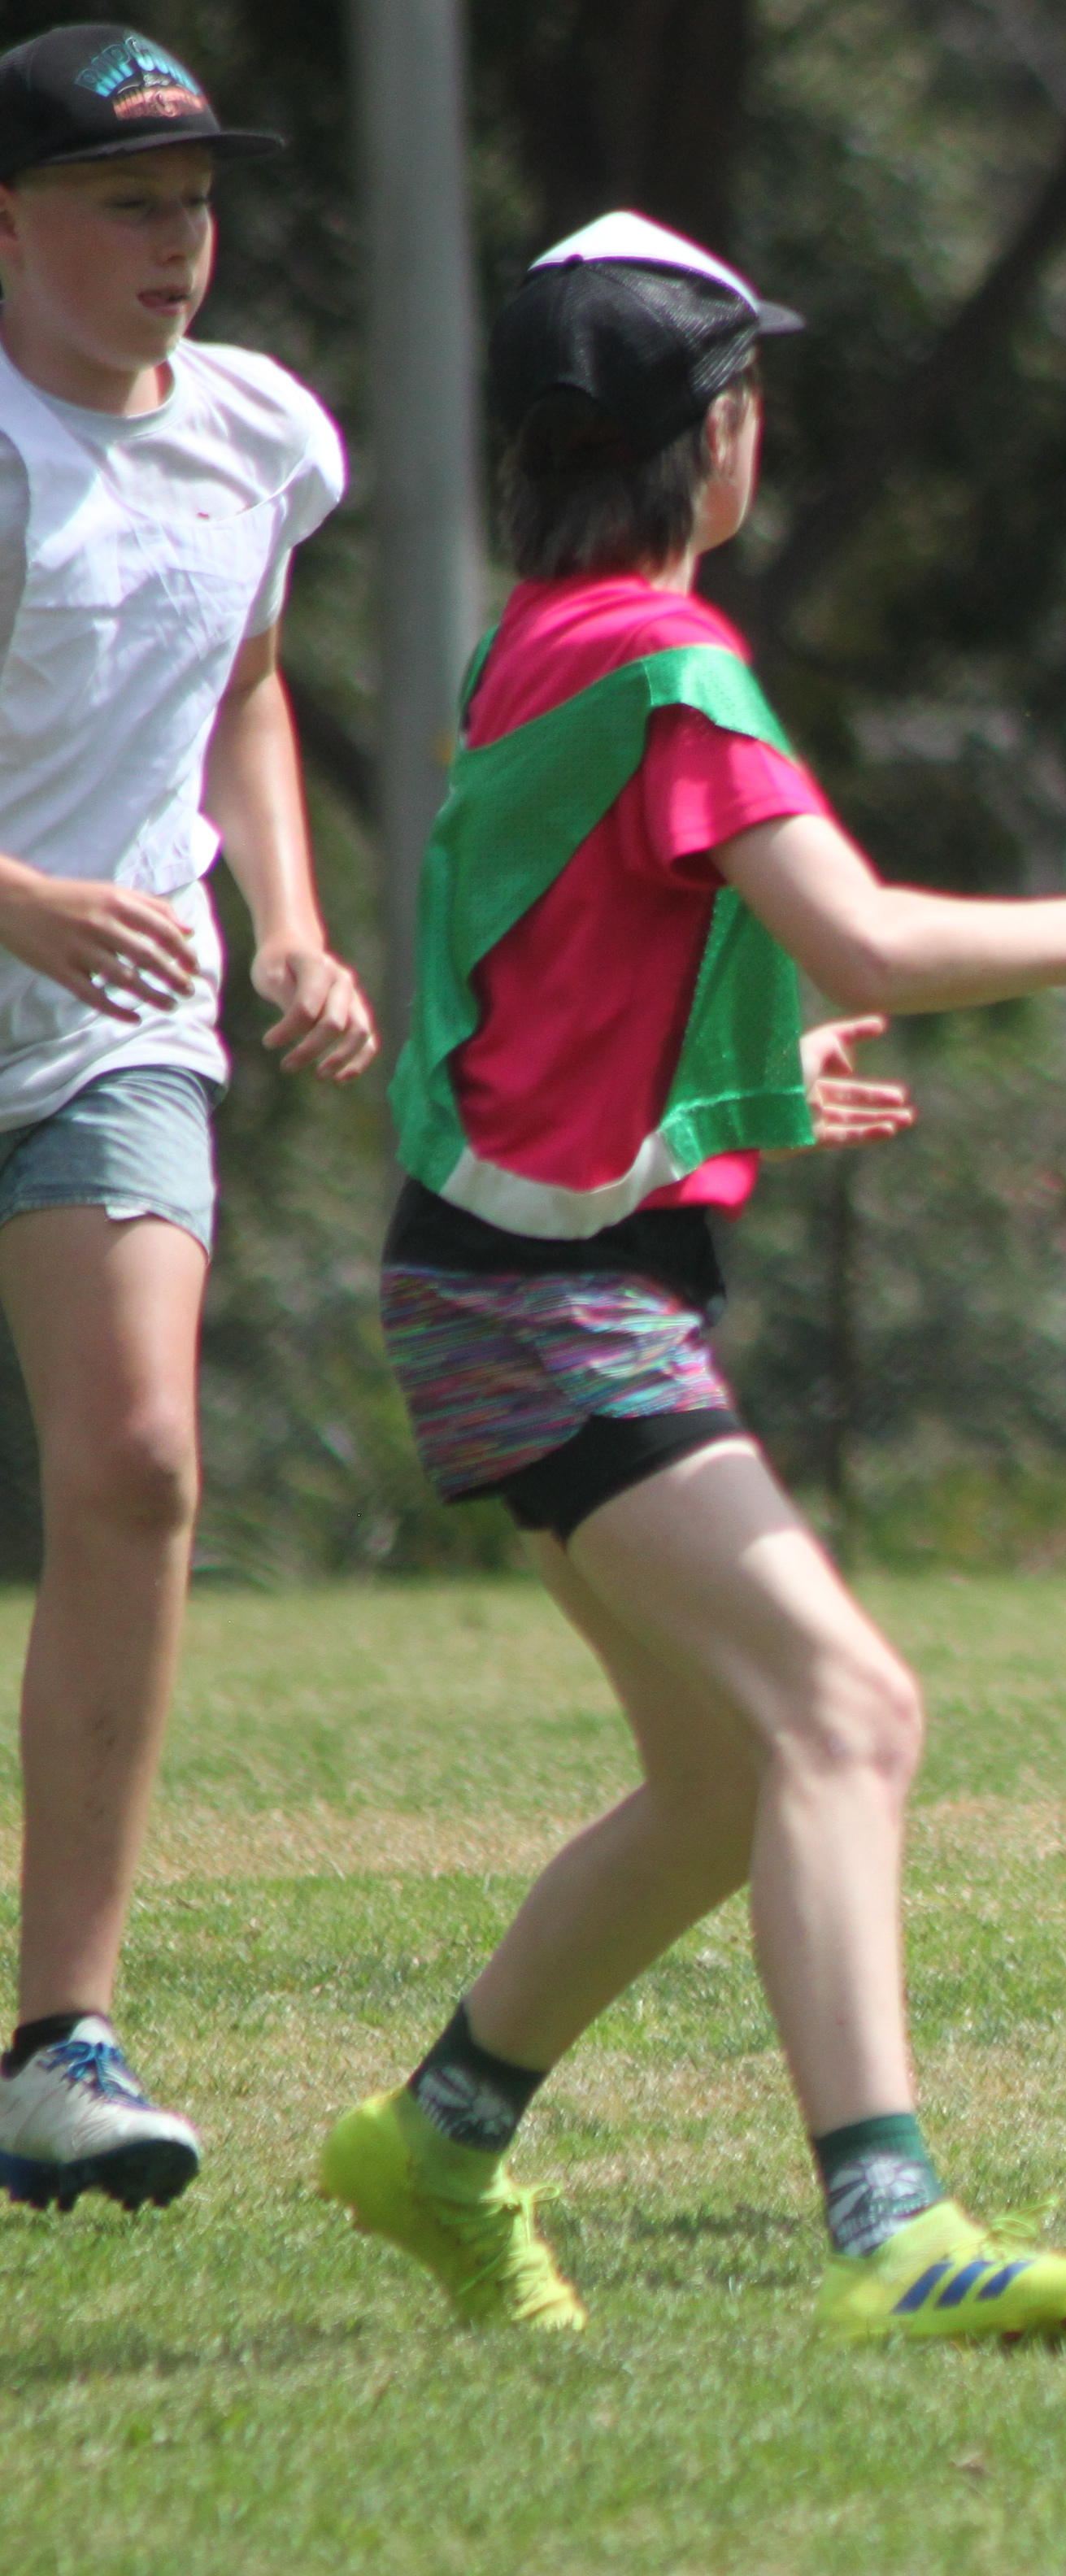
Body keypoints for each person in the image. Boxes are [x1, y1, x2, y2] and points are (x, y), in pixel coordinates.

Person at [313, 215, 1066, 2342]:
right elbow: (858, 930)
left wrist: (745, 1075)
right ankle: (893, 2234)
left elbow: (579, 968)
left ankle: (442, 2137)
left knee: (722, 1779)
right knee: (853, 1710)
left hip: (516, 1275)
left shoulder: (545, 641)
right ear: (718, 441)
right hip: (554, 1300)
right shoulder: (671, 662)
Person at [0, 27, 380, 2217]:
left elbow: (243, 681)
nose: (177, 242)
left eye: (198, 200)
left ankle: (63, 2038)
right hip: (41, 944)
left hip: (105, 1038)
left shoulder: (259, 434)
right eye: (129, 202)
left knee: (138, 1465)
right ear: (12, 223)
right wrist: (22, 895)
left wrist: (295, 925)